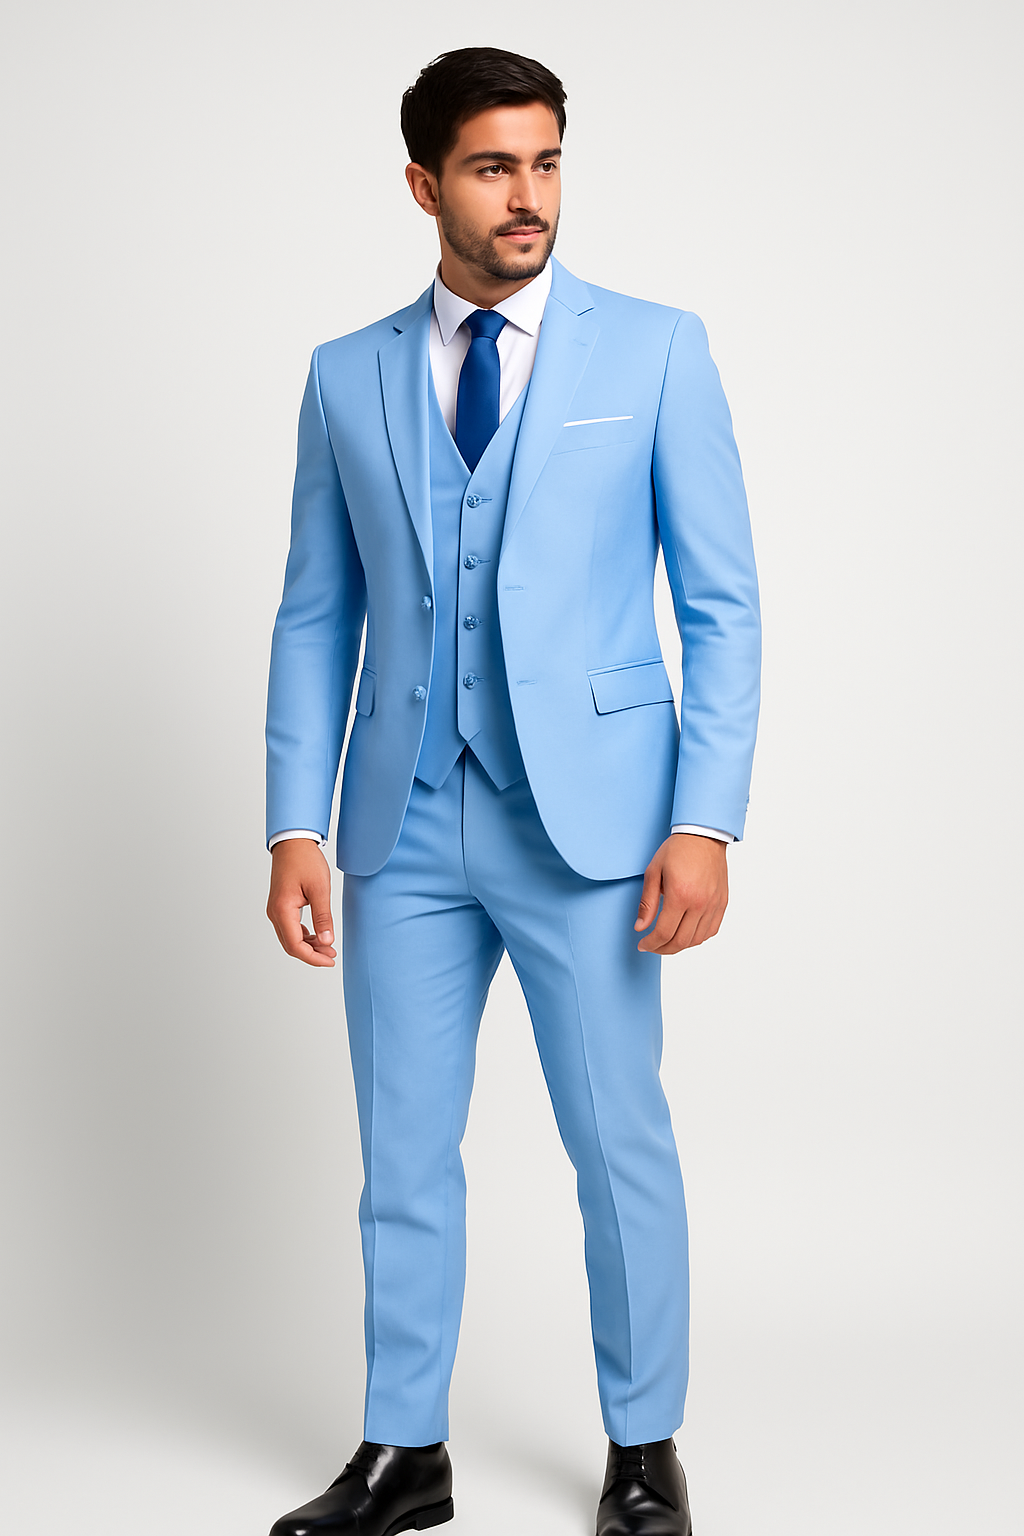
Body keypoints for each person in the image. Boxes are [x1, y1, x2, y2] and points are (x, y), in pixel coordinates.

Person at [264, 46, 760, 1536]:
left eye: (545, 162)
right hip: (399, 825)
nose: (528, 195)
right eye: (494, 167)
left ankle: (643, 1450)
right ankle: (403, 1451)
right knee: (402, 1153)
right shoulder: (346, 374)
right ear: (426, 186)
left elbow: (722, 603)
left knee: (617, 1142)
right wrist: (294, 822)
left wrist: (703, 819)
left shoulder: (655, 351)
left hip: (593, 824)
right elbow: (315, 614)